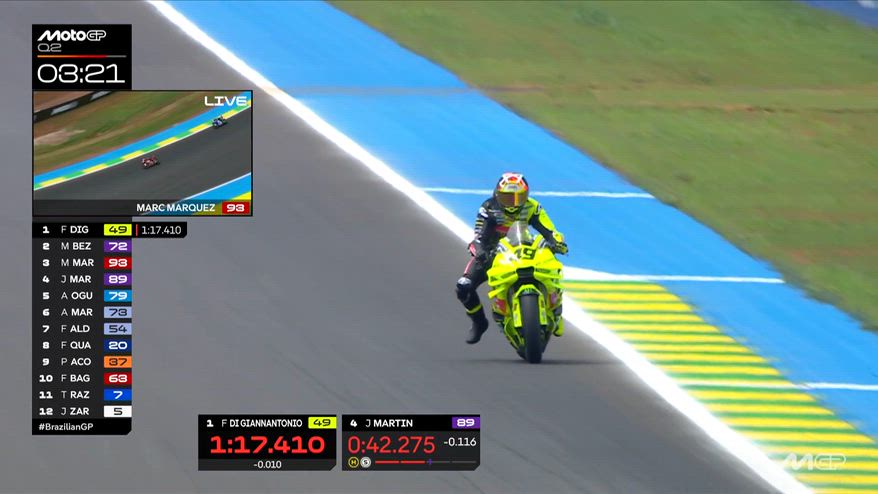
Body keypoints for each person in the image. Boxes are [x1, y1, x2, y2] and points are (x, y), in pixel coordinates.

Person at [456, 173, 568, 344]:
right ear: (497, 194)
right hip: (494, 253)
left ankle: (556, 310)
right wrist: (479, 251)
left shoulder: (532, 207)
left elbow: (549, 230)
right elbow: (478, 237)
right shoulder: (488, 208)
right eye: (508, 198)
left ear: (526, 196)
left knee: (553, 266)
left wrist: (557, 242)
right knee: (463, 286)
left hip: (524, 249)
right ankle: (479, 323)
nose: (513, 203)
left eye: (518, 197)